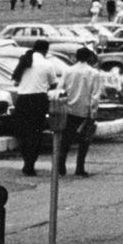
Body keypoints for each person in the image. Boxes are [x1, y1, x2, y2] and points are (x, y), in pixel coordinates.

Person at [11, 39, 65, 176]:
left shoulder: (24, 61)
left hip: (22, 99)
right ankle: (30, 163)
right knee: (35, 133)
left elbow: (16, 82)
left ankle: (25, 160)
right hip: (38, 100)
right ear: (45, 50)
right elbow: (53, 83)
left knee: (23, 132)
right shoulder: (47, 64)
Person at [56, 47, 104, 177]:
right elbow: (95, 95)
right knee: (84, 141)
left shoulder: (68, 71)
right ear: (89, 57)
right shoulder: (94, 73)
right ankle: (79, 167)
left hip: (69, 110)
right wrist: (93, 113)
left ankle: (61, 166)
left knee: (66, 139)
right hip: (85, 111)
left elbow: (61, 89)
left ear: (76, 57)